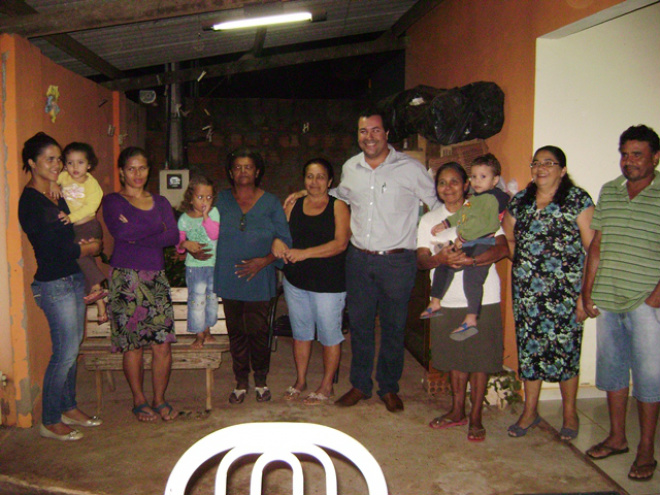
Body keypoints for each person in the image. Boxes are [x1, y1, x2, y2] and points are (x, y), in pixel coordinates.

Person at [288, 108, 438, 412]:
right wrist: (312, 189)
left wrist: (435, 244)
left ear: (386, 134)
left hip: (398, 261)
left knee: (394, 327)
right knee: (359, 326)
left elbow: (435, 205)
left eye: (375, 130)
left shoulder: (410, 168)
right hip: (358, 259)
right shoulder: (351, 167)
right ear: (358, 136)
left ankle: (389, 387)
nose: (369, 137)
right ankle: (360, 385)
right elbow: (339, 195)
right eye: (363, 131)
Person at [582, 125, 660, 481]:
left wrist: (657, 295)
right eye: (624, 154)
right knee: (613, 373)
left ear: (655, 157)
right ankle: (617, 438)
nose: (628, 161)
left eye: (637, 154)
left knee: (649, 378)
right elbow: (596, 244)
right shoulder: (610, 190)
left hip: (647, 302)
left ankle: (646, 448)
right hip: (608, 299)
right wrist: (587, 290)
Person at [503, 146, 594, 440]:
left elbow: (593, 248)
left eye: (549, 163)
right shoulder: (521, 202)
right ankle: (530, 412)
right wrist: (523, 265)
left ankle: (570, 413)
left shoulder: (577, 200)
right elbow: (508, 237)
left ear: (562, 170)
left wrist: (584, 295)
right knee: (530, 353)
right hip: (528, 294)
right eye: (536, 162)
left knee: (566, 353)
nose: (541, 168)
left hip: (565, 295)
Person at [19, 132, 102, 441]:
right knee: (64, 353)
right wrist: (89, 250)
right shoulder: (31, 202)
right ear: (32, 162)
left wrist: (87, 247)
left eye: (58, 158)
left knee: (72, 347)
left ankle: (69, 406)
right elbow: (55, 248)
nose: (56, 164)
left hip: (72, 277)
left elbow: (76, 226)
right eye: (49, 159)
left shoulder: (56, 193)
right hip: (55, 283)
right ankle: (50, 419)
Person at [417, 162, 507, 442]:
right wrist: (440, 259)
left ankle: (476, 415)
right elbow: (421, 260)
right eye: (442, 183)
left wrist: (472, 261)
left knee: (479, 360)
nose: (448, 187)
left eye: (454, 181)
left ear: (466, 184)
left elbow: (503, 247)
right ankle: (457, 410)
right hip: (446, 301)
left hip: (482, 299)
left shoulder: (482, 208)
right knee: (456, 359)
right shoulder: (429, 220)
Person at [102, 147, 179, 422]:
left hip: (155, 278)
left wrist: (139, 233)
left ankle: (159, 398)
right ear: (121, 171)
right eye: (131, 168)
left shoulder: (160, 202)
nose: (137, 174)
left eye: (142, 168)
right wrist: (156, 228)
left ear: (149, 171)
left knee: (162, 344)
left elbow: (171, 236)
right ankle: (139, 399)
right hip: (125, 278)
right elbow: (121, 232)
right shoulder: (112, 201)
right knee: (132, 344)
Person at [214, 147, 291, 404]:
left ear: (257, 172)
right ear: (230, 172)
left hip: (260, 276)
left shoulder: (269, 203)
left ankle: (260, 380)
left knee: (258, 331)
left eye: (248, 167)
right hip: (229, 276)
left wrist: (264, 261)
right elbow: (203, 227)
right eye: (237, 167)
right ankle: (240, 381)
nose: (242, 171)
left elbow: (284, 239)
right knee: (236, 331)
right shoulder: (221, 200)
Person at [272, 158, 350, 405]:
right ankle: (300, 380)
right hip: (296, 283)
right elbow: (280, 233)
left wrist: (304, 253)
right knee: (301, 333)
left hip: (328, 285)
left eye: (320, 177)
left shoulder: (338, 206)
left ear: (329, 181)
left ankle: (326, 386)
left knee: (329, 335)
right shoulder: (294, 204)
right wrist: (277, 242)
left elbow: (340, 244)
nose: (314, 181)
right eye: (309, 176)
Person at [421, 153, 509, 343]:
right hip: (469, 244)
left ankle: (471, 318)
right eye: (475, 176)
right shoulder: (473, 202)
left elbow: (501, 244)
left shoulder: (494, 198)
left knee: (471, 276)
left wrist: (462, 240)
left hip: (483, 244)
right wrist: (444, 225)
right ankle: (435, 302)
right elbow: (460, 216)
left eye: (483, 177)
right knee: (444, 267)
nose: (477, 181)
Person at [55, 142, 108, 323]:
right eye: (70, 163)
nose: (75, 167)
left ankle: (96, 286)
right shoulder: (63, 177)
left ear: (89, 165)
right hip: (74, 228)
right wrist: (53, 186)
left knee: (80, 254)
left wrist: (71, 217)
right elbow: (50, 182)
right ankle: (101, 306)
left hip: (88, 225)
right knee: (83, 262)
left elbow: (90, 207)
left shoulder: (92, 185)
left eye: (80, 163)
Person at [176, 175, 220, 349]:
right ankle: (199, 335)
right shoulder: (184, 219)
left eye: (208, 197)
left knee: (211, 300)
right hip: (195, 268)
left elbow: (214, 234)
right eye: (200, 197)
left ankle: (207, 332)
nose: (204, 201)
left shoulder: (213, 213)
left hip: (214, 266)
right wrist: (185, 244)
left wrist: (206, 216)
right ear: (190, 198)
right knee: (197, 301)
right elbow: (179, 247)